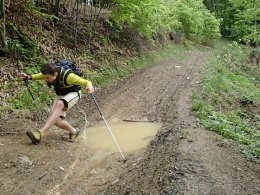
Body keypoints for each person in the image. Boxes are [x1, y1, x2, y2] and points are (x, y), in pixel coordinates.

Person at [18, 62, 94, 144]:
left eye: (47, 78)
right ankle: (74, 131)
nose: (45, 80)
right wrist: (28, 77)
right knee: (55, 119)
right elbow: (41, 75)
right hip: (61, 94)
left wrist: (89, 87)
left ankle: (40, 133)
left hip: (74, 93)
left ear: (55, 74)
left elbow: (87, 82)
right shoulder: (50, 73)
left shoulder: (69, 76)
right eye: (45, 77)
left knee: (59, 104)